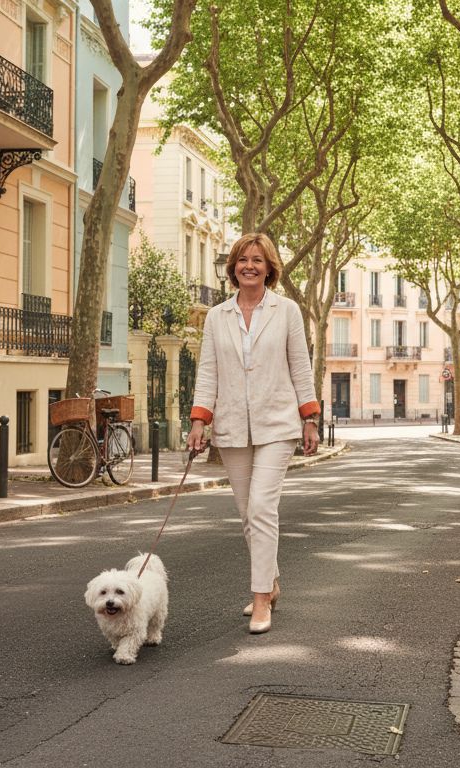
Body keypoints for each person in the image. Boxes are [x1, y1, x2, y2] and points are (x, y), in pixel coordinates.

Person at [186, 233, 320, 635]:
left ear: (269, 267)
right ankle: (272, 582)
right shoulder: (216, 316)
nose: (249, 265)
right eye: (243, 259)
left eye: (258, 260)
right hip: (231, 426)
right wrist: (199, 420)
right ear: (233, 267)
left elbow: (300, 365)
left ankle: (261, 598)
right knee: (248, 514)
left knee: (262, 507)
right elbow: (208, 371)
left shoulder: (287, 311)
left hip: (277, 423)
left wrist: (309, 416)